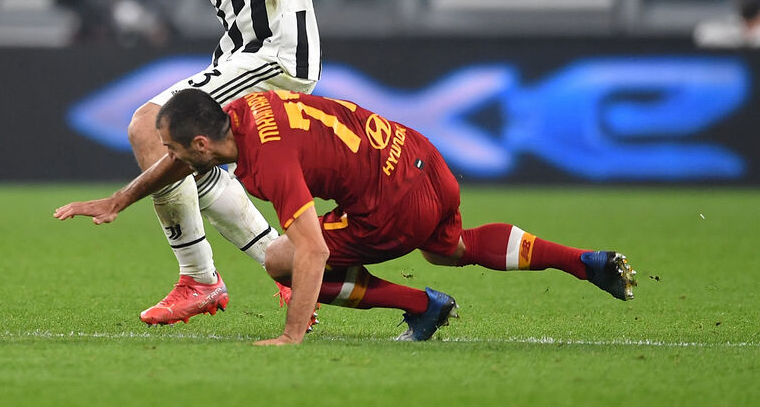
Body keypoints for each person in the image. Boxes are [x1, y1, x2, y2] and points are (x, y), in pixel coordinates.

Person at [54, 0, 475, 327]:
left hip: (275, 52)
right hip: (241, 52)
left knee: (149, 126)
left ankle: (199, 280)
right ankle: (277, 266)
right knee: (197, 152)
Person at [150, 88, 638, 345]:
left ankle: (422, 305)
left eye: (171, 148)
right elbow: (188, 158)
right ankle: (581, 261)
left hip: (391, 207)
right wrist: (122, 199)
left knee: (283, 259)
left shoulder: (268, 160)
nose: (167, 156)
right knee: (451, 249)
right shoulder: (247, 107)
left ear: (201, 144)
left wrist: (290, 336)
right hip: (420, 156)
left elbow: (312, 251)